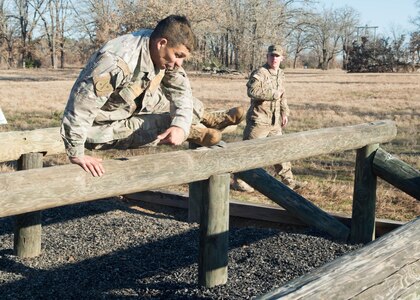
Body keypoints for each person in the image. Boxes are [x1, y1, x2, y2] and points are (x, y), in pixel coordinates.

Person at [61, 15, 244, 177]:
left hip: (136, 102)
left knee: (186, 104)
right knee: (158, 125)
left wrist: (180, 125)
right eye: (178, 55)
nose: (179, 63)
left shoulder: (161, 49)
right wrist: (76, 152)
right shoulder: (117, 61)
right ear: (162, 43)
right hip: (103, 123)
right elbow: (81, 106)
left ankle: (208, 118)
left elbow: (181, 91)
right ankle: (195, 132)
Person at [233, 44, 304, 191]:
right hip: (259, 120)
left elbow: (282, 95)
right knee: (248, 151)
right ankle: (239, 181)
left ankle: (288, 181)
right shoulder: (261, 72)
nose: (274, 58)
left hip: (274, 121)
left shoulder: (280, 74)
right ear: (267, 56)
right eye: (272, 55)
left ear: (282, 58)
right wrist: (272, 94)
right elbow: (252, 91)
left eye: (277, 56)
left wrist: (285, 112)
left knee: (280, 150)